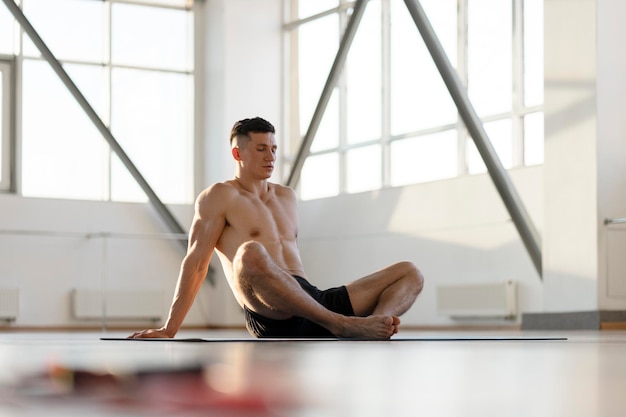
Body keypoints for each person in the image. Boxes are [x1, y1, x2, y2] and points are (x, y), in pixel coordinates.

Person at [130, 117, 423, 339]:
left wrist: (375, 320)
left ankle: (375, 326)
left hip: (312, 301)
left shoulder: (286, 196)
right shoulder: (219, 196)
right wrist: (170, 328)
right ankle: (343, 325)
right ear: (237, 154)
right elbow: (195, 263)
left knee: (410, 272)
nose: (270, 156)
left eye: (273, 148)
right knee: (250, 253)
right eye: (261, 149)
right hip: (271, 311)